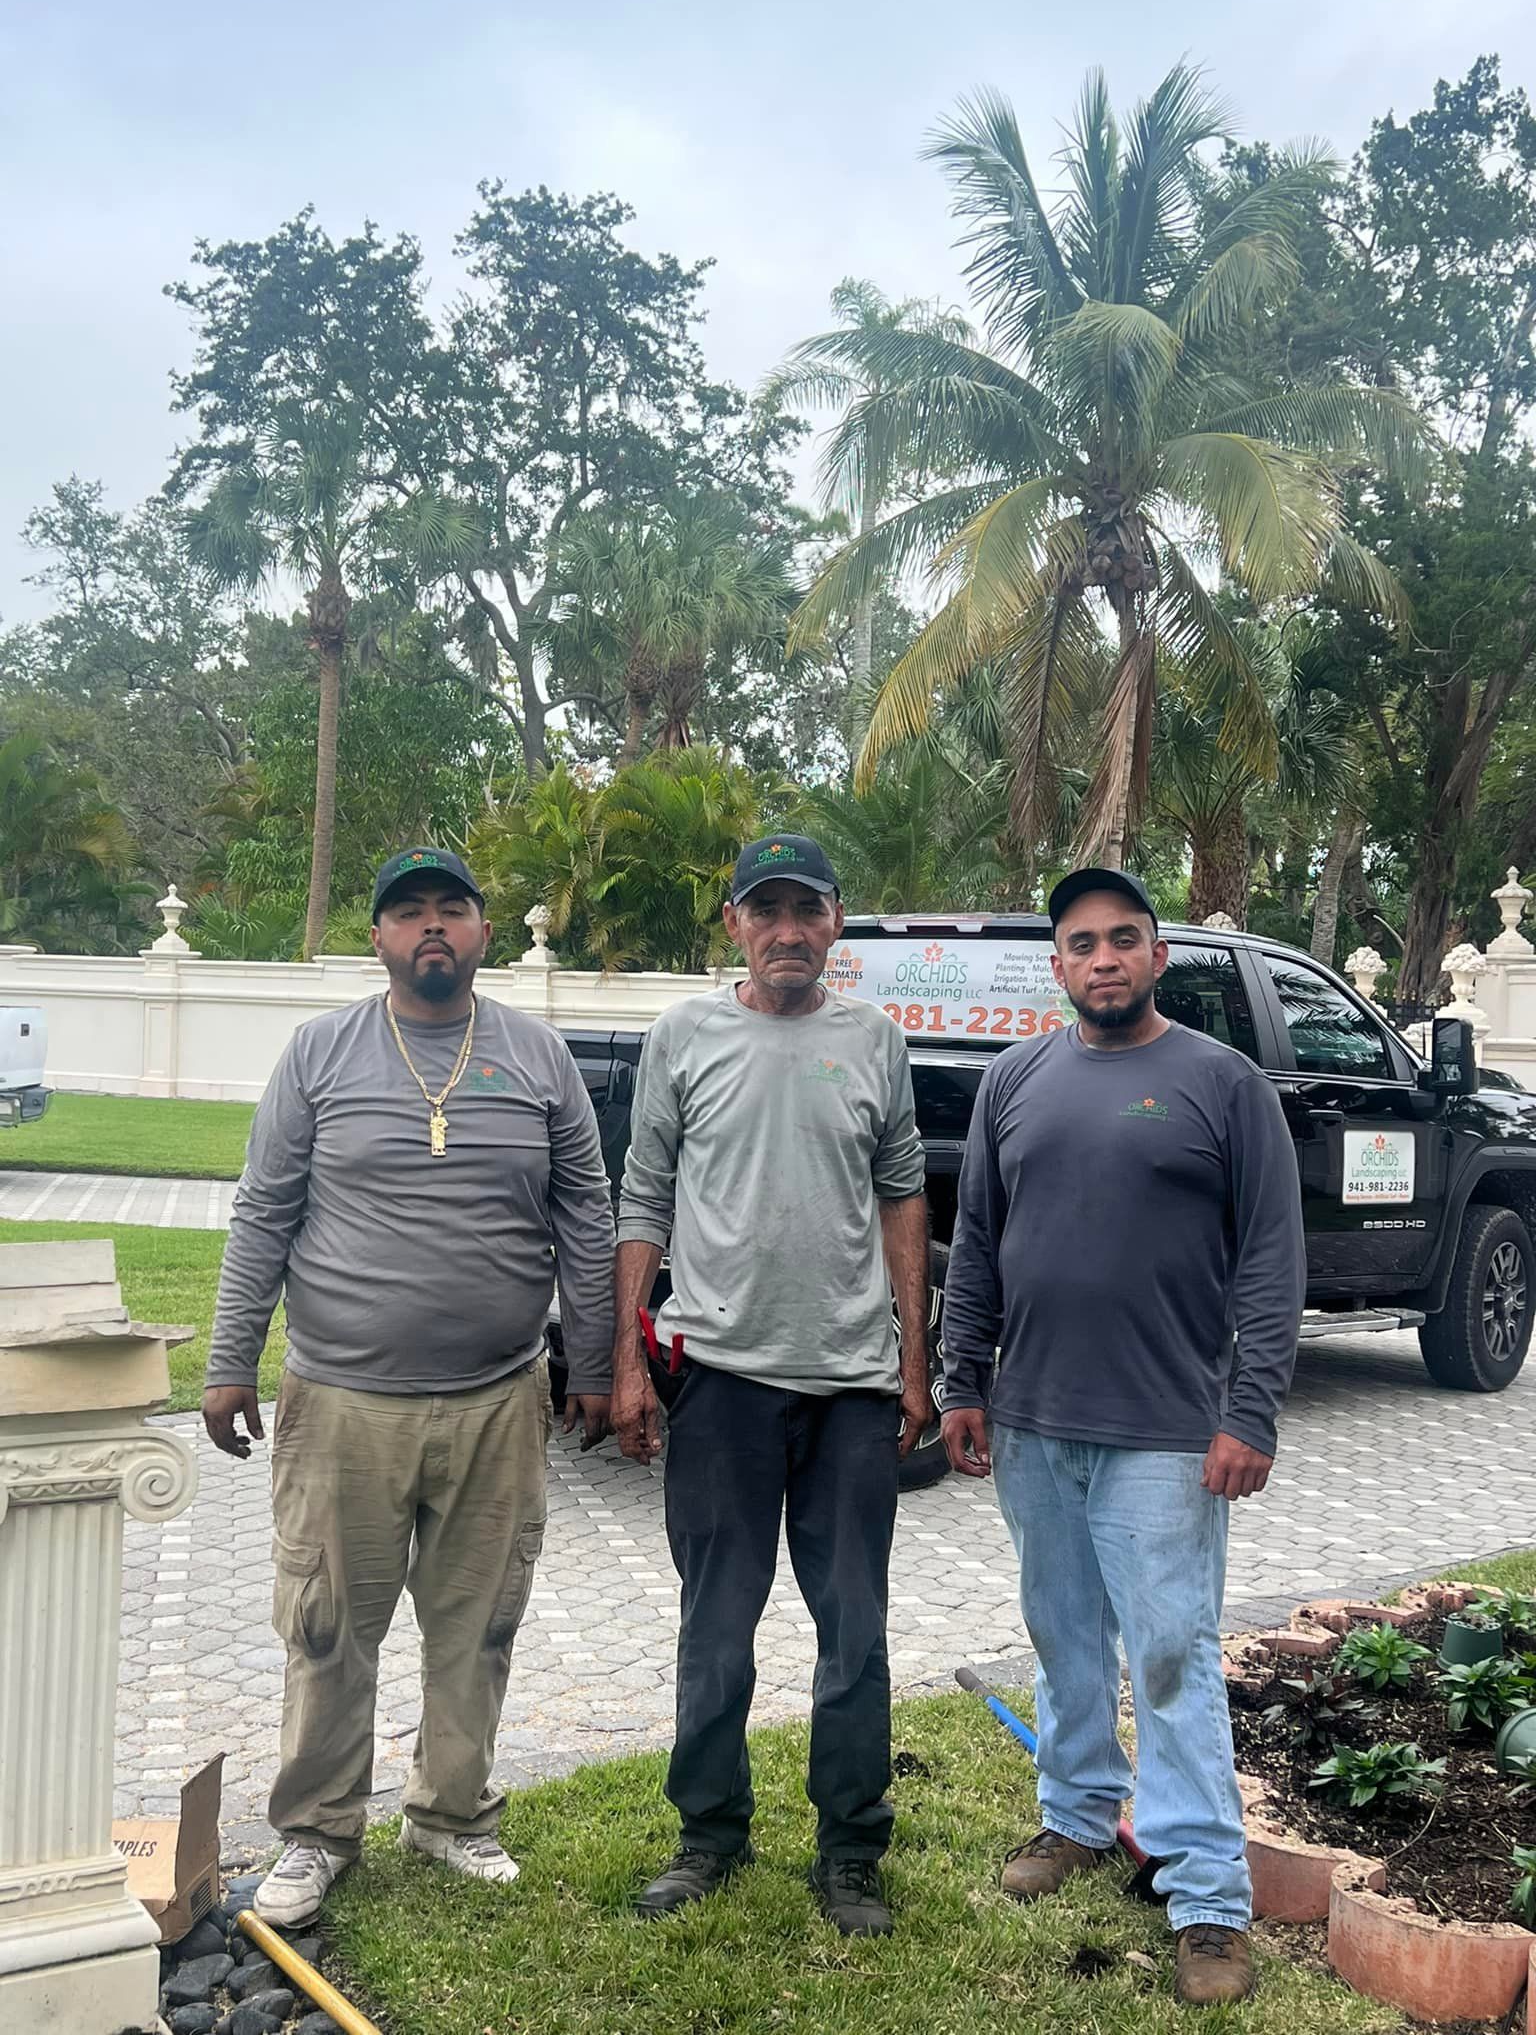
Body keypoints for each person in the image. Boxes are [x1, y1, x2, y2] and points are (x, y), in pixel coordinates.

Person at [202, 846, 615, 1928]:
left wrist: (602, 1361)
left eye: (453, 909)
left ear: (481, 931)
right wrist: (228, 1357)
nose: (432, 926)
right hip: (341, 1399)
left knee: (479, 1621)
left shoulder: (536, 1055)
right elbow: (263, 1211)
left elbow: (586, 1210)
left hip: (498, 1397)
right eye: (409, 912)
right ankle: (317, 1828)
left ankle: (450, 1813)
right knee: (329, 1622)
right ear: (378, 935)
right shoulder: (320, 1053)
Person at [941, 867, 1305, 2006]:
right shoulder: (1014, 1079)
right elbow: (976, 1243)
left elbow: (1271, 1255)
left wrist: (1248, 1409)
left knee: (1173, 1655)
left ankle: (1206, 1897)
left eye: (1124, 939)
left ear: (1157, 957)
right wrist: (962, 1377)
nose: (1102, 957)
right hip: (1037, 1422)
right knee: (1061, 1636)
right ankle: (1077, 1817)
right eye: (1082, 942)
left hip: (1165, 1431)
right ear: (1057, 965)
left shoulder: (1220, 1081)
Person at [611, 833, 930, 1937]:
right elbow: (642, 1196)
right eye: (767, 909)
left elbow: (903, 1198)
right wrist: (624, 1367)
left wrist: (913, 1363)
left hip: (850, 1386)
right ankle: (709, 1832)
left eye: (809, 909)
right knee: (718, 1621)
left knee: (855, 1625)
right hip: (721, 1381)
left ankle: (850, 1847)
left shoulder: (876, 1041)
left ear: (838, 921)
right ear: (737, 922)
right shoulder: (683, 1035)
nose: (789, 929)